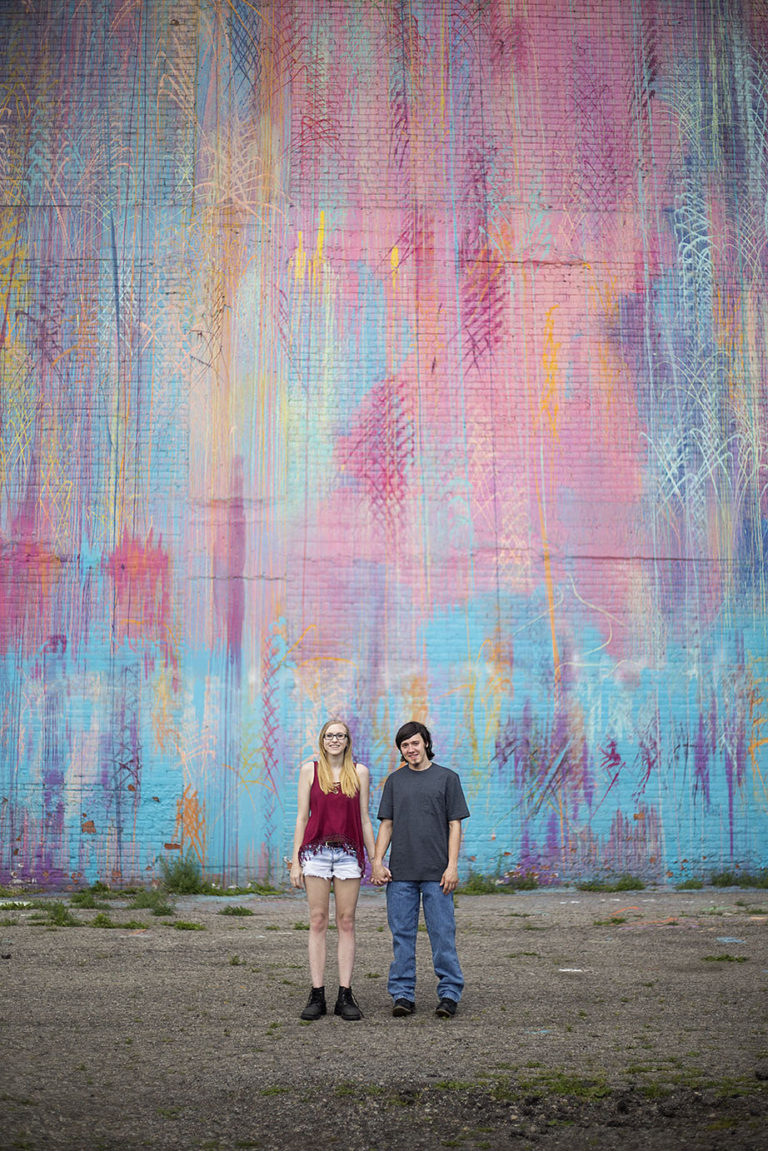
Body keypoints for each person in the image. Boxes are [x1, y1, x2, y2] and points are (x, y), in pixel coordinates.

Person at [372, 720, 470, 1019]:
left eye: (415, 743)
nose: (410, 749)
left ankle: (449, 994)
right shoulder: (395, 781)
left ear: (425, 742)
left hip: (437, 873)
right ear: (401, 750)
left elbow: (455, 825)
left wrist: (452, 866)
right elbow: (386, 824)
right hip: (401, 873)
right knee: (402, 936)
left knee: (442, 935)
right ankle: (402, 994)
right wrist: (377, 861)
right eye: (404, 745)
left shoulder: (447, 778)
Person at [290, 719, 375, 1021]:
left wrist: (375, 860)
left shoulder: (360, 772)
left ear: (348, 740)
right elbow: (302, 818)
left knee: (347, 921)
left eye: (340, 735)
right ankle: (317, 994)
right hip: (316, 853)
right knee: (317, 920)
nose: (335, 740)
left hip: (349, 855)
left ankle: (345, 994)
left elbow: (365, 819)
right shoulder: (309, 771)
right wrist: (295, 860)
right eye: (329, 735)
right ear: (322, 740)